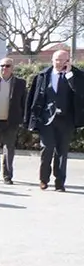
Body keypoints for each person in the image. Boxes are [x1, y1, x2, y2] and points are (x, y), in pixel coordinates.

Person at [25, 49, 84, 191]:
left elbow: (80, 93)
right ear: (52, 60)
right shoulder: (43, 75)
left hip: (66, 120)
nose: (59, 63)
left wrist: (69, 75)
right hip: (47, 120)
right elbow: (33, 98)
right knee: (47, 148)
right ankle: (44, 179)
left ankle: (60, 182)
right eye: (56, 59)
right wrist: (31, 119)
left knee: (62, 152)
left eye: (62, 60)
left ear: (68, 61)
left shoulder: (76, 76)